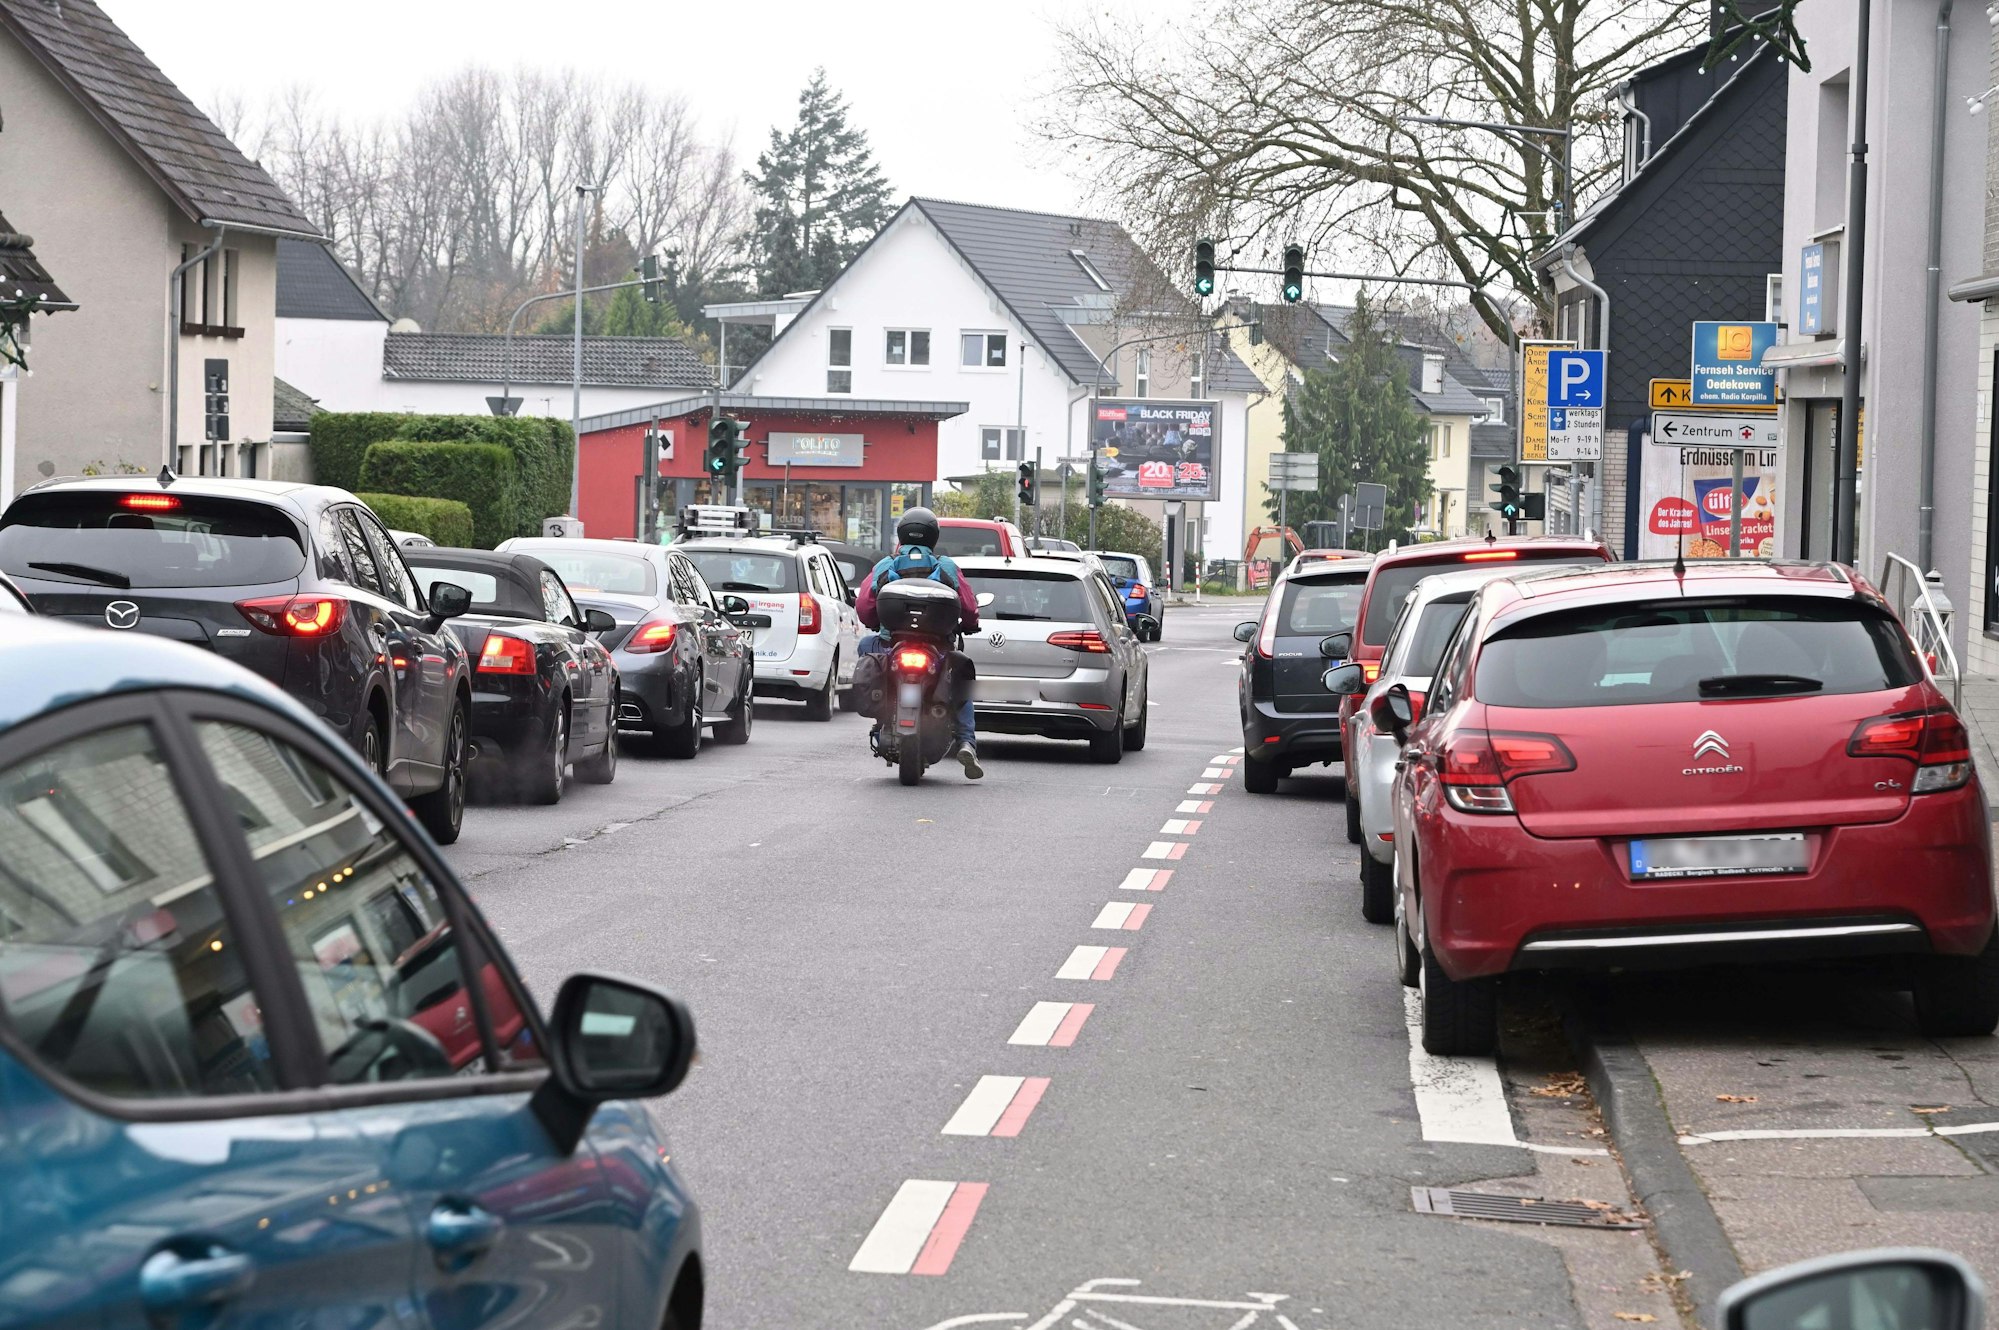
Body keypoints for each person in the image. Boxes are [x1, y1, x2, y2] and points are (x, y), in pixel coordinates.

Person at [854, 507, 984, 780]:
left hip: (891, 645)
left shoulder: (885, 565)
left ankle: (881, 715)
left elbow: (865, 608)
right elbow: (970, 609)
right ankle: (966, 741)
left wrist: (878, 622)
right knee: (962, 679)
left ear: (901, 534)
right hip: (939, 649)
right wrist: (969, 625)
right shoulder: (946, 566)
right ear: (933, 536)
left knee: (866, 646)